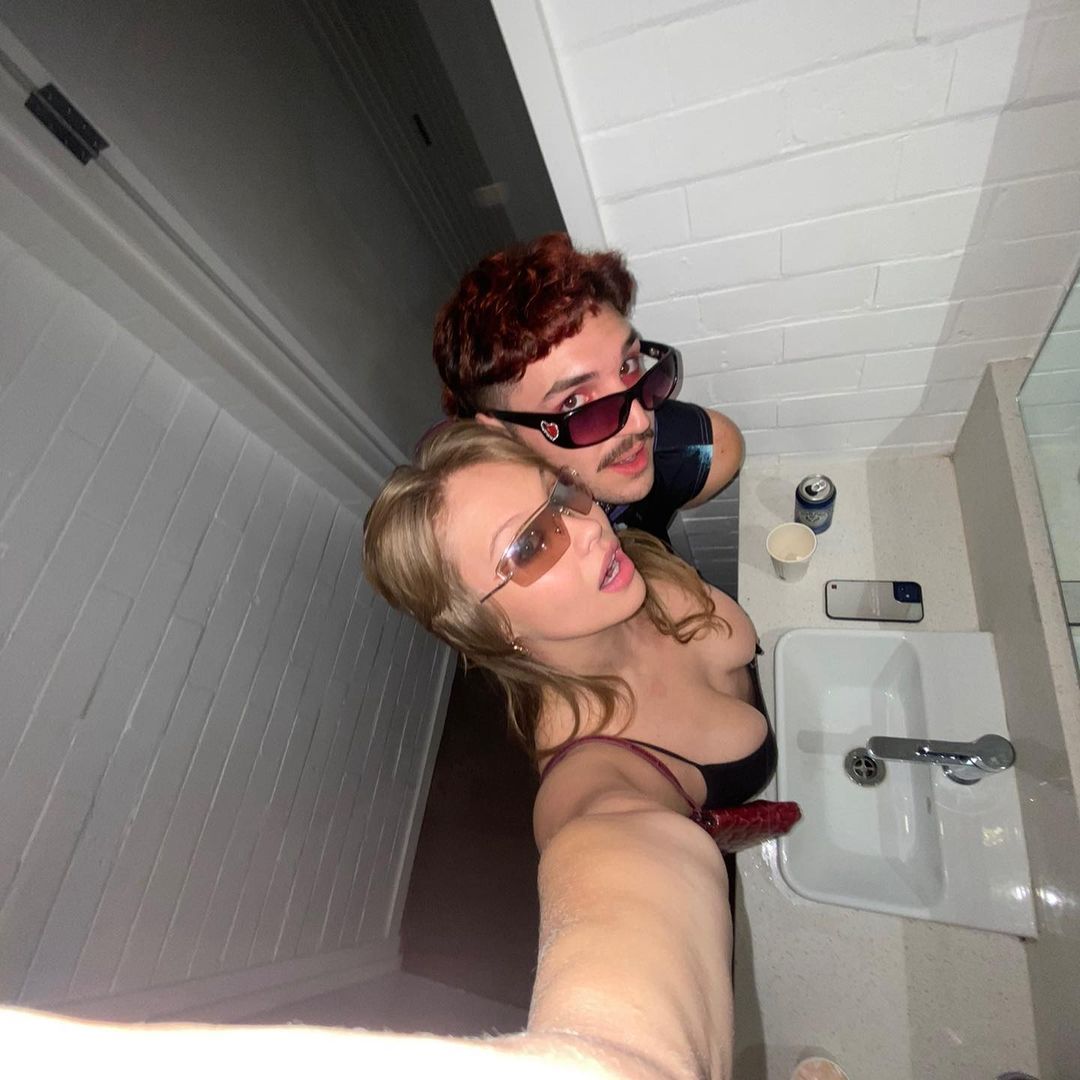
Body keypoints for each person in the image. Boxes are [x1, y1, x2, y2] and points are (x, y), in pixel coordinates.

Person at [362, 421, 776, 1074]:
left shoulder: (633, 562)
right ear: (491, 625)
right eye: (530, 545)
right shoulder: (593, 770)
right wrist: (620, 1053)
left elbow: (715, 445)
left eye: (560, 493)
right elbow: (614, 867)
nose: (587, 526)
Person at [432, 232, 744, 549]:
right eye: (574, 401)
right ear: (500, 433)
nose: (640, 422)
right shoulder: (506, 556)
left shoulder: (652, 445)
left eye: (627, 366)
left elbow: (724, 448)